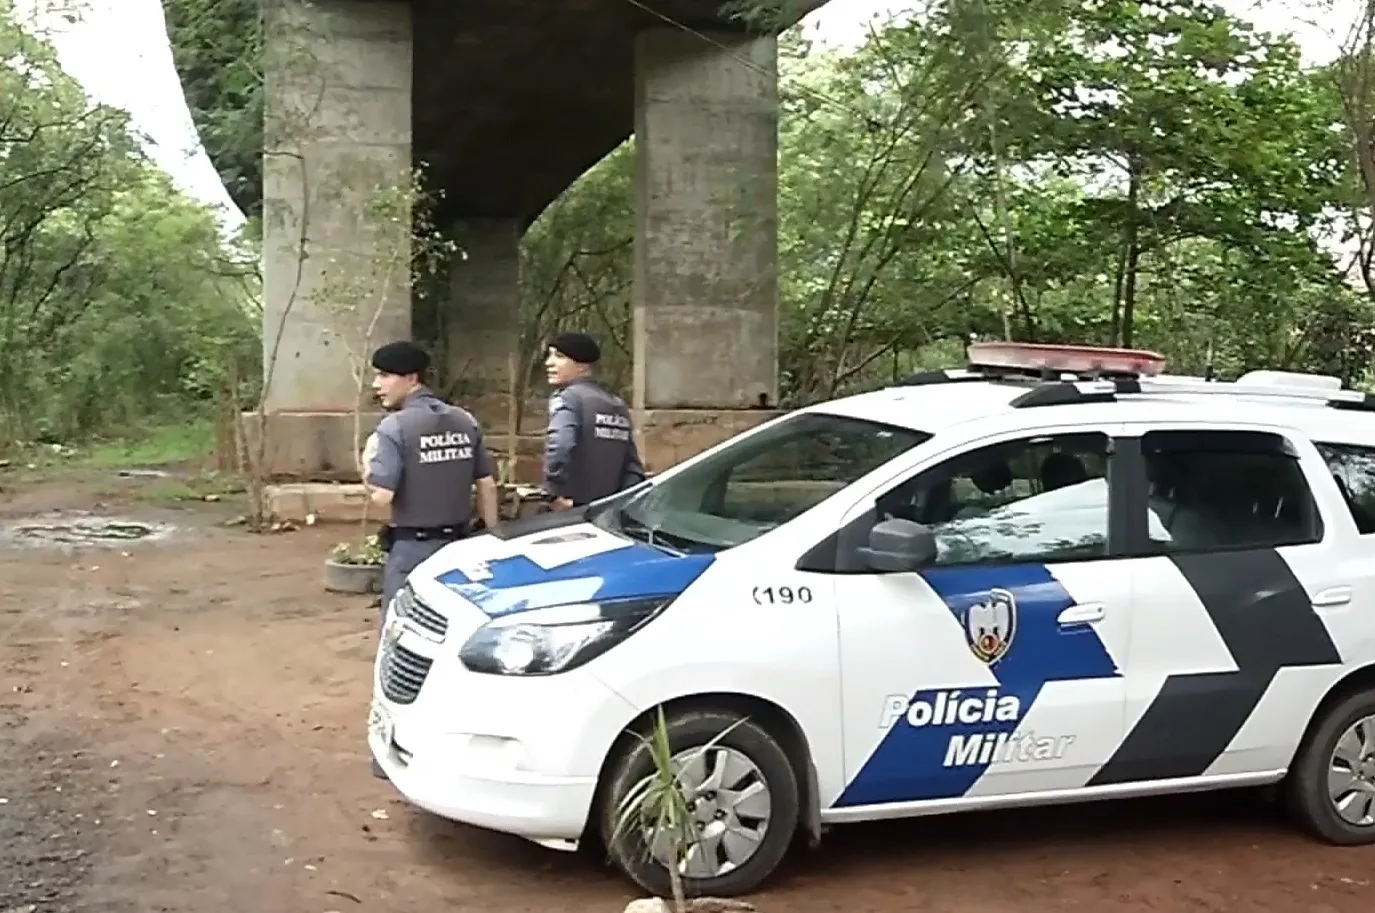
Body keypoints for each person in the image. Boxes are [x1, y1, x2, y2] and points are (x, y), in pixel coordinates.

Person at [363, 340, 499, 612]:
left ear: (412, 378)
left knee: (404, 626)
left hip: (414, 552)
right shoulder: (464, 419)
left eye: (384, 375)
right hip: (462, 548)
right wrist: (492, 535)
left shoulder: (394, 427)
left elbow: (381, 496)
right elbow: (486, 483)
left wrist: (367, 464)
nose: (376, 384)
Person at [542, 332, 646, 509]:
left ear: (582, 366)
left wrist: (552, 493)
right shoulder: (617, 405)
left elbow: (561, 444)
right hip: (607, 513)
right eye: (550, 355)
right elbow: (633, 468)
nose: (548, 363)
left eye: (559, 356)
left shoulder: (569, 398)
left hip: (572, 510)